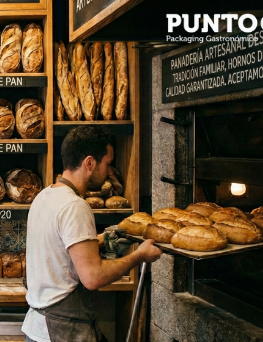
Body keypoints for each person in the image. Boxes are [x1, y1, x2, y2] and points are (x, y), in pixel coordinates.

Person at [22, 126, 161, 342]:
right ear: (89, 163)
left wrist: (102, 240)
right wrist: (139, 256)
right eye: (107, 163)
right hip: (62, 333)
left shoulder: (44, 196)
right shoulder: (74, 206)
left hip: (39, 329)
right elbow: (92, 277)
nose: (110, 171)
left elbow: (58, 249)